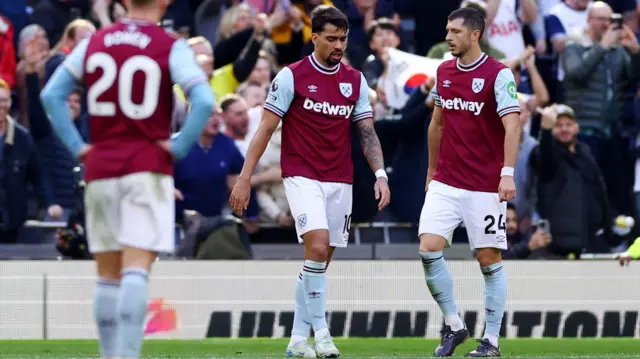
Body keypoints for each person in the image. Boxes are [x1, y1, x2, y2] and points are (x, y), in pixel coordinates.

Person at [39, 0, 214, 358]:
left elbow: (51, 94)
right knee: (136, 270)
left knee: (107, 274)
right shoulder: (170, 45)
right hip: (147, 164)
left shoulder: (96, 41)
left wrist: (77, 146)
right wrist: (178, 147)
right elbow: (205, 101)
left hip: (101, 166)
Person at [229, 5, 391, 358]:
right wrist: (245, 178)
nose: (338, 45)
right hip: (302, 175)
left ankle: (297, 340)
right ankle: (323, 334)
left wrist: (380, 175)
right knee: (316, 248)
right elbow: (264, 131)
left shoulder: (355, 81)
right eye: (331, 39)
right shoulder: (291, 77)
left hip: (341, 180)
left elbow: (367, 133)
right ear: (314, 37)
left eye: (343, 39)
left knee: (318, 263)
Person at [419, 7, 521, 358]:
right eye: (447, 30)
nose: (448, 37)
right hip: (447, 179)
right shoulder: (444, 71)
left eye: (455, 31)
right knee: (428, 247)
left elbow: (513, 125)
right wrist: (432, 172)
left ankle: (491, 340)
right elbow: (437, 124)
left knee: (488, 258)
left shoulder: (499, 74)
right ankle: (455, 323)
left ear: (475, 34)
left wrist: (507, 172)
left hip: (485, 185)